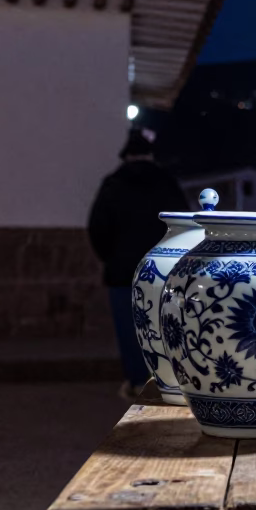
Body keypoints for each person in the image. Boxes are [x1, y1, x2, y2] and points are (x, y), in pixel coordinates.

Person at [87, 128, 188, 399]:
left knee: (129, 329)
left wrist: (111, 257)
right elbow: (184, 226)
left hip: (122, 271)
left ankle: (135, 382)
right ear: (150, 155)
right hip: (163, 271)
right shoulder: (167, 183)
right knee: (163, 327)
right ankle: (167, 381)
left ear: (126, 156)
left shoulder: (112, 184)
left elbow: (97, 227)